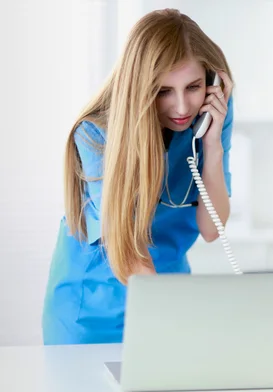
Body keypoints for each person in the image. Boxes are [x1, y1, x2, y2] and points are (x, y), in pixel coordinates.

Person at [42, 8, 235, 345]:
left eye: (193, 86)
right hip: (94, 311)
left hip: (165, 292)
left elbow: (211, 228)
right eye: (163, 91)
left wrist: (212, 146)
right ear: (139, 89)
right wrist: (181, 322)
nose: (181, 108)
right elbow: (128, 252)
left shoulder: (211, 116)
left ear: (212, 80)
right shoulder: (96, 134)